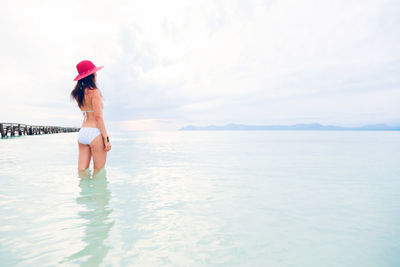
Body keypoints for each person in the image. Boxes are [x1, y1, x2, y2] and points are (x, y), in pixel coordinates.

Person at [70, 60, 111, 175]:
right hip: (95, 133)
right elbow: (98, 117)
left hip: (82, 133)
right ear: (92, 75)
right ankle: (98, 193)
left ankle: (85, 193)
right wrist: (106, 139)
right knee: (99, 172)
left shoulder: (78, 94)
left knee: (82, 172)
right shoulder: (94, 92)